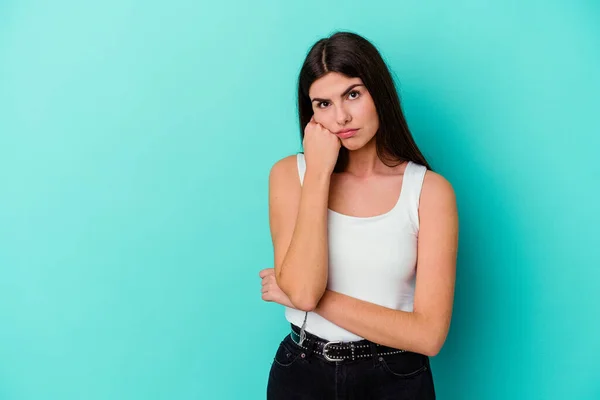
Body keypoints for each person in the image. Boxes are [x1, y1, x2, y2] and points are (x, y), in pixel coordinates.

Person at [259, 31, 458, 399]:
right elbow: (301, 288)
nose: (341, 117)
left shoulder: (429, 192)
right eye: (323, 104)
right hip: (301, 372)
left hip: (394, 378)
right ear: (311, 113)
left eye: (353, 94)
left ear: (378, 93)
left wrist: (311, 298)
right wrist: (319, 172)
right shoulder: (291, 176)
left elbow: (428, 336)